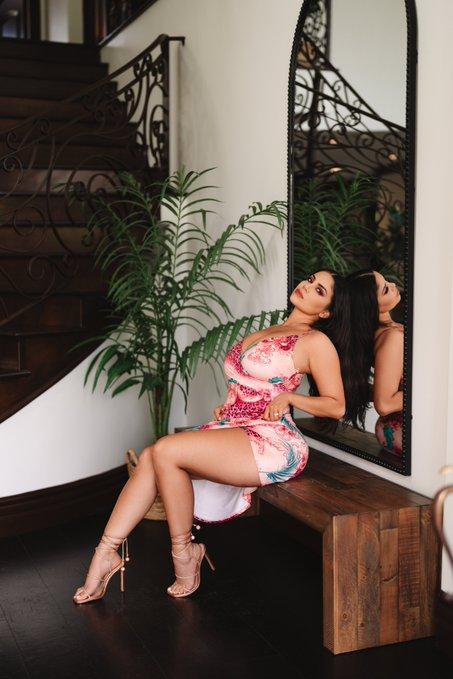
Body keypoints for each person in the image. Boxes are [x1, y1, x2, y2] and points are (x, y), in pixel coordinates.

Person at [72, 270, 353, 604]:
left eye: (319, 290)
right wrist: (231, 406)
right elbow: (251, 385)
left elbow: (336, 406)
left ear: (327, 312)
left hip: (273, 442)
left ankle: (184, 553)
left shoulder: (315, 342)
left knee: (164, 451)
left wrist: (291, 398)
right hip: (237, 427)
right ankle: (106, 553)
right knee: (150, 456)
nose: (307, 286)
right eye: (310, 279)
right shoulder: (273, 329)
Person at [346, 268, 403, 454]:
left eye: (387, 281)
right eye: (385, 289)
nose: (393, 285)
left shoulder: (387, 332)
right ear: (370, 307)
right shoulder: (392, 337)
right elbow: (384, 404)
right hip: (401, 430)